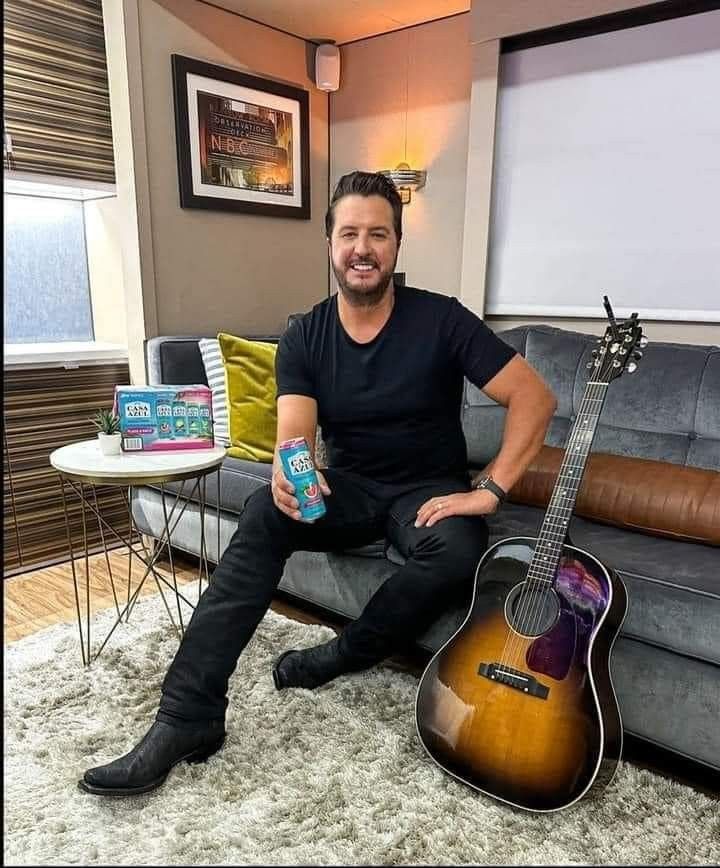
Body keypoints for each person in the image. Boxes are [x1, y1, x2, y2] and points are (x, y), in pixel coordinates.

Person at [79, 171, 557, 797]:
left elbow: (534, 398)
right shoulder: (305, 334)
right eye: (350, 233)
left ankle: (342, 654)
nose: (363, 248)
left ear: (396, 245)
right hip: (349, 488)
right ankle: (187, 715)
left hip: (427, 491)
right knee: (260, 513)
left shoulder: (442, 320)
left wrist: (488, 491)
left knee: (462, 551)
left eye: (378, 234)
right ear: (330, 243)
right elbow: (296, 435)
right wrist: (286, 470)